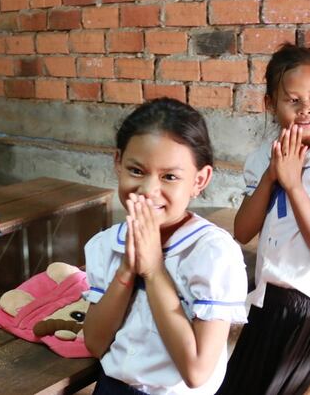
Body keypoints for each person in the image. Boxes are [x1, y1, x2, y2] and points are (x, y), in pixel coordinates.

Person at [218, 44, 310, 395]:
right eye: (293, 100)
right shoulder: (262, 158)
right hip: (266, 299)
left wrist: (293, 184)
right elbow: (243, 231)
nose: (306, 109)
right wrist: (272, 175)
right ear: (270, 103)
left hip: (307, 309)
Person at [82, 98, 248, 395]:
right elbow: (95, 343)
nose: (148, 190)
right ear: (118, 162)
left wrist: (154, 270)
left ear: (199, 180)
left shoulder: (213, 255)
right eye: (136, 170)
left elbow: (196, 371)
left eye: (169, 176)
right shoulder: (106, 245)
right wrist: (127, 269)